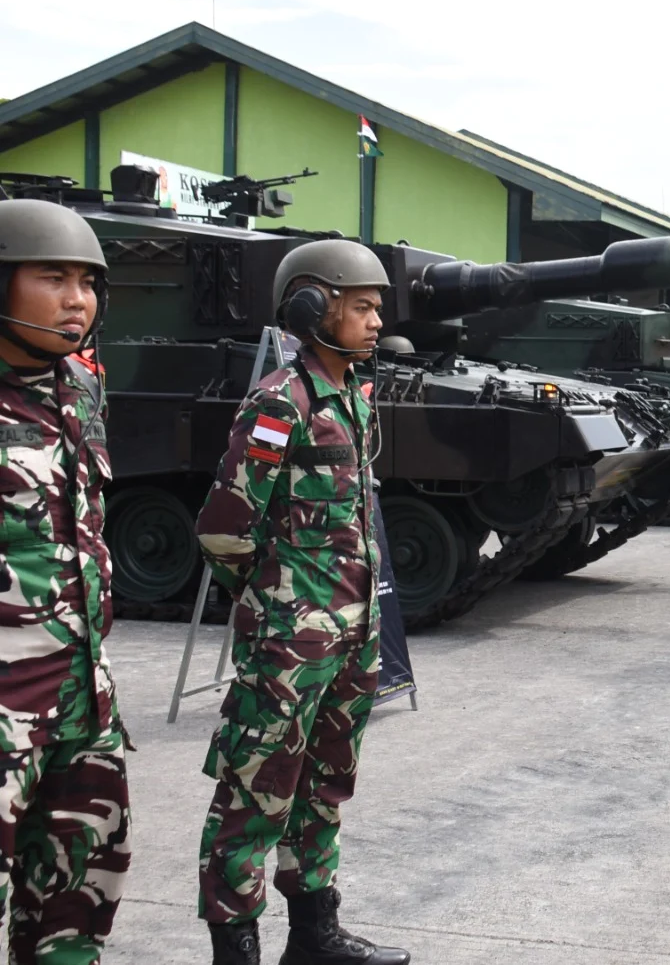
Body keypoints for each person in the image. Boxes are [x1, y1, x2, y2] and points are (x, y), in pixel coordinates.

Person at [195, 239, 408, 965]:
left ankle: (315, 935)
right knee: (255, 795)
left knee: (324, 788)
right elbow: (226, 530)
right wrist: (280, 607)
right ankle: (237, 949)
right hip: (291, 645)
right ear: (314, 307)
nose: (377, 321)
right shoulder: (277, 404)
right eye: (363, 306)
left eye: (379, 307)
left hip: (352, 637)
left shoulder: (349, 396)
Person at [0, 200, 130, 964]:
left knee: (79, 895)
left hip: (83, 695)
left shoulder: (81, 389)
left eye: (87, 282)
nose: (76, 299)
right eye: (53, 277)